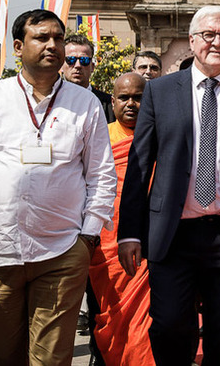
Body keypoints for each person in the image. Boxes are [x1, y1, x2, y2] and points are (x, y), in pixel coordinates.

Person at [0, 8, 117, 366]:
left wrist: (89, 235)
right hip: (1, 251)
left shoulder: (86, 104)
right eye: (42, 37)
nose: (52, 45)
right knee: (3, 357)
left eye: (58, 38)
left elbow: (100, 175)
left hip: (63, 250)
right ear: (19, 46)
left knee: (50, 360)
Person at [117, 5, 220, 365]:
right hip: (172, 234)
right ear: (193, 40)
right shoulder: (160, 91)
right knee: (169, 329)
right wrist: (129, 232)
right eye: (208, 35)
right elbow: (140, 166)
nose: (217, 42)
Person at [88, 72, 154, 365]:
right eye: (124, 98)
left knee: (145, 328)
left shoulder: (159, 135)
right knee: (109, 317)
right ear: (112, 101)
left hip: (149, 244)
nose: (131, 104)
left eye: (138, 97)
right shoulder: (99, 137)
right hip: (106, 247)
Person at [62, 32, 114, 122]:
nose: (78, 65)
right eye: (71, 60)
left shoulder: (109, 104)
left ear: (92, 67)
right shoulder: (51, 101)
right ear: (61, 66)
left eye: (84, 60)